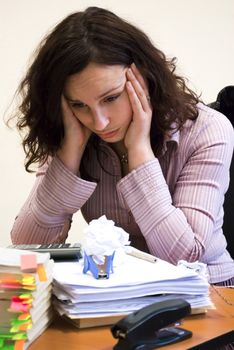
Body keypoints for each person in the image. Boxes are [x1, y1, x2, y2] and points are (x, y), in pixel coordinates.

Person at [9, 6, 234, 286]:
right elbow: (27, 250)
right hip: (118, 296)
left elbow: (185, 259)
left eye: (111, 98)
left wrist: (139, 152)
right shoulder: (76, 134)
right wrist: (68, 157)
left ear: (145, 78)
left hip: (210, 296)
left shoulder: (207, 129)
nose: (99, 122)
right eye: (79, 105)